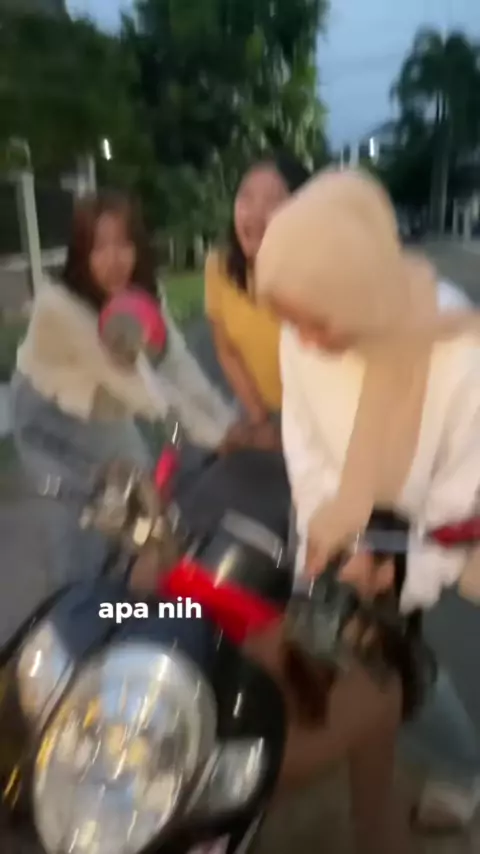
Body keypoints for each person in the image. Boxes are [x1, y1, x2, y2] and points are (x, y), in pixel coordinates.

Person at [251, 167, 480, 847]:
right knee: (349, 647)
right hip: (341, 530)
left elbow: (465, 492)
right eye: (290, 323)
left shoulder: (457, 347)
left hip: (425, 533)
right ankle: (383, 785)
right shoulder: (300, 325)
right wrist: (328, 531)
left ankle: (463, 770)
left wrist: (399, 568)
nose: (303, 341)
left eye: (318, 324)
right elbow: (304, 443)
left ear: (359, 292)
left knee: (397, 655)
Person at [11, 190, 234, 590]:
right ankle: (80, 602)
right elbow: (139, 389)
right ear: (81, 254)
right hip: (45, 416)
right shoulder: (57, 306)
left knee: (140, 490)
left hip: (99, 401)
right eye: (99, 248)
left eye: (123, 244)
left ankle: (135, 576)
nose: (114, 260)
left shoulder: (143, 293)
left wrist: (228, 421)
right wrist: (219, 438)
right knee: (77, 512)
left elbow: (174, 362)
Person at [205, 154, 310, 453]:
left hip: (316, 415)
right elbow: (227, 350)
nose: (255, 213)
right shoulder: (219, 266)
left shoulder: (319, 275)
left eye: (273, 201)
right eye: (246, 197)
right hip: (256, 406)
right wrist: (259, 418)